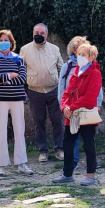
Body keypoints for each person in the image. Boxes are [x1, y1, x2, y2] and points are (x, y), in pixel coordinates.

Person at [55, 43, 102, 186]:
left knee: (88, 144)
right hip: (72, 115)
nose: (80, 57)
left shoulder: (95, 73)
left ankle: (90, 175)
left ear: (91, 57)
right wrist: (64, 106)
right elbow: (67, 92)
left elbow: (89, 98)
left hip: (86, 114)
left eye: (83, 55)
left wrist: (71, 107)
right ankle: (67, 174)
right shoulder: (76, 70)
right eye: (78, 54)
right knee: (68, 144)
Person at [0, 29, 33, 176]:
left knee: (20, 131)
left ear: (11, 42)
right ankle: (0, 166)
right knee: (0, 131)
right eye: (0, 40)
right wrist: (11, 75)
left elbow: (22, 79)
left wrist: (5, 78)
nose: (3, 43)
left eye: (6, 40)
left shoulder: (19, 59)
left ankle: (22, 163)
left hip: (17, 98)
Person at [20, 23, 65, 163]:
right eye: (36, 32)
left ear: (47, 34)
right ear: (33, 33)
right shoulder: (24, 50)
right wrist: (24, 90)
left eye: (42, 33)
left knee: (57, 121)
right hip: (34, 91)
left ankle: (59, 149)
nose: (39, 35)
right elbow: (21, 70)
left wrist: (62, 87)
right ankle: (43, 151)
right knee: (38, 122)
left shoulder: (55, 49)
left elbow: (62, 68)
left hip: (53, 90)